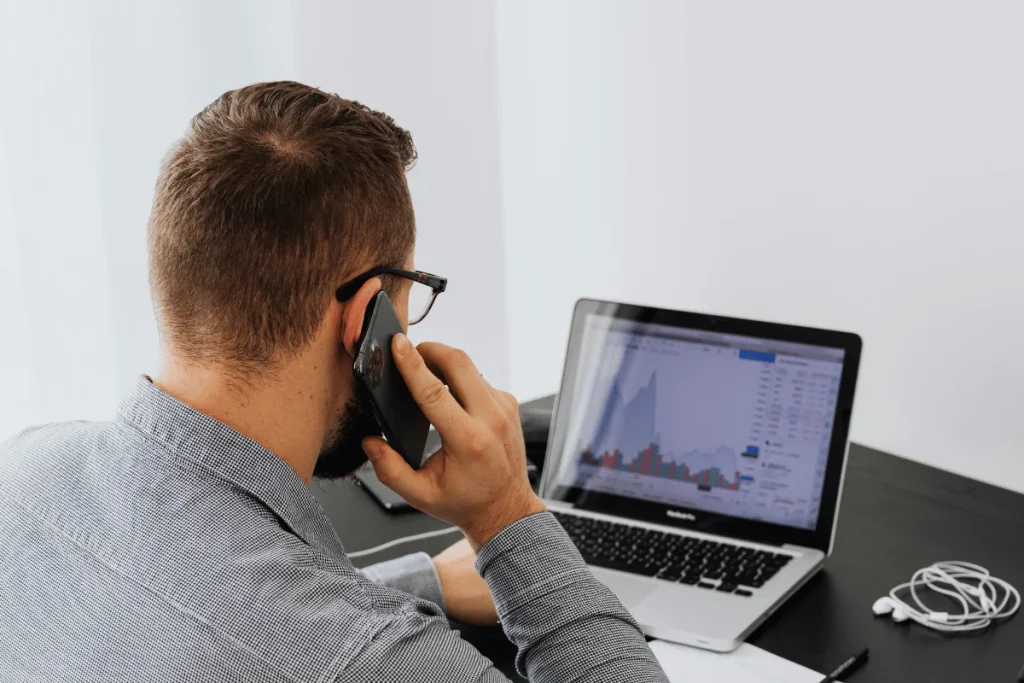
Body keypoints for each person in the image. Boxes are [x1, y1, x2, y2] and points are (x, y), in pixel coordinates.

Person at [0, 81, 667, 682]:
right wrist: (505, 515)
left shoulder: (25, 467)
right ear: (365, 317)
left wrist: (424, 582)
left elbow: (202, 600)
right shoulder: (371, 656)